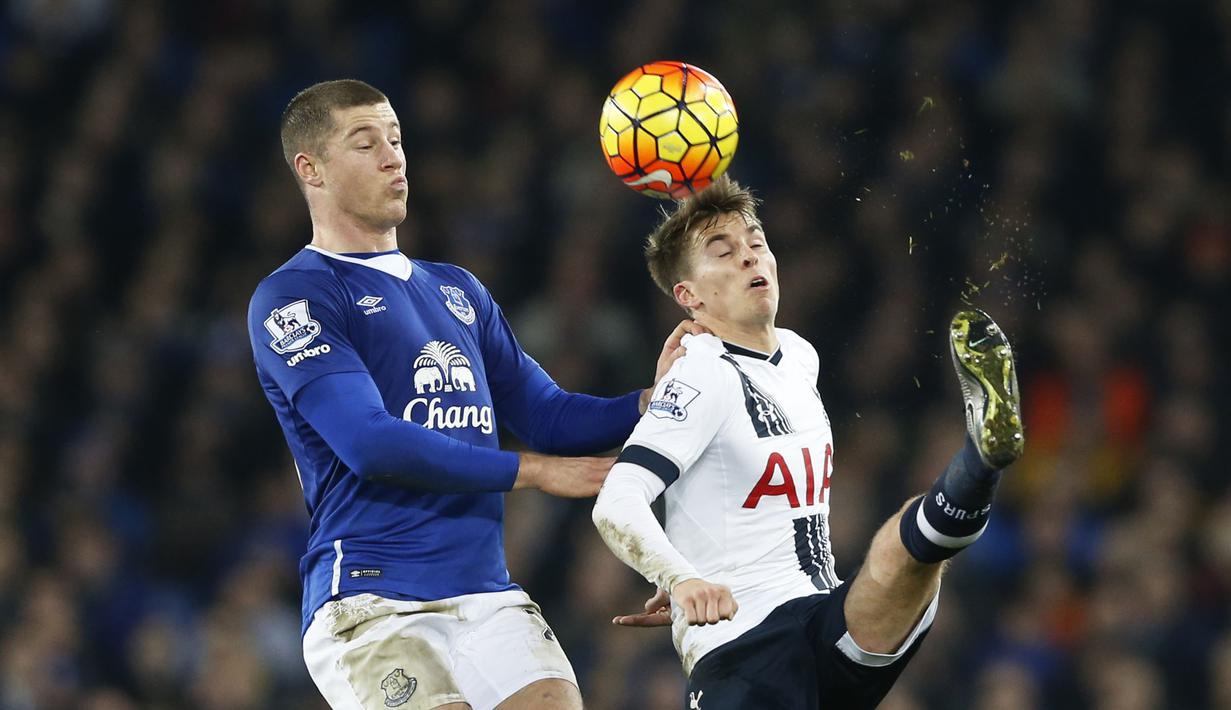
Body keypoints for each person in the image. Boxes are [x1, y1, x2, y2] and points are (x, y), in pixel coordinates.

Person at [247, 79, 702, 710]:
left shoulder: (455, 290)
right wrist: (535, 474)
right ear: (311, 169)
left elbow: (547, 414)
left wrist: (644, 404)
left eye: (397, 139)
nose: (392, 156)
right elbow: (370, 443)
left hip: (487, 595)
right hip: (373, 598)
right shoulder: (296, 297)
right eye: (365, 143)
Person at [592, 176, 1024, 709]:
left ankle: (981, 459)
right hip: (744, 647)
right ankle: (977, 468)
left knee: (898, 553)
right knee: (898, 552)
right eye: (723, 253)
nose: (749, 258)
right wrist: (680, 577)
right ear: (689, 297)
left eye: (756, 243)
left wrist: (683, 562)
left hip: (823, 619)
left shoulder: (799, 357)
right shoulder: (700, 372)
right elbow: (617, 499)